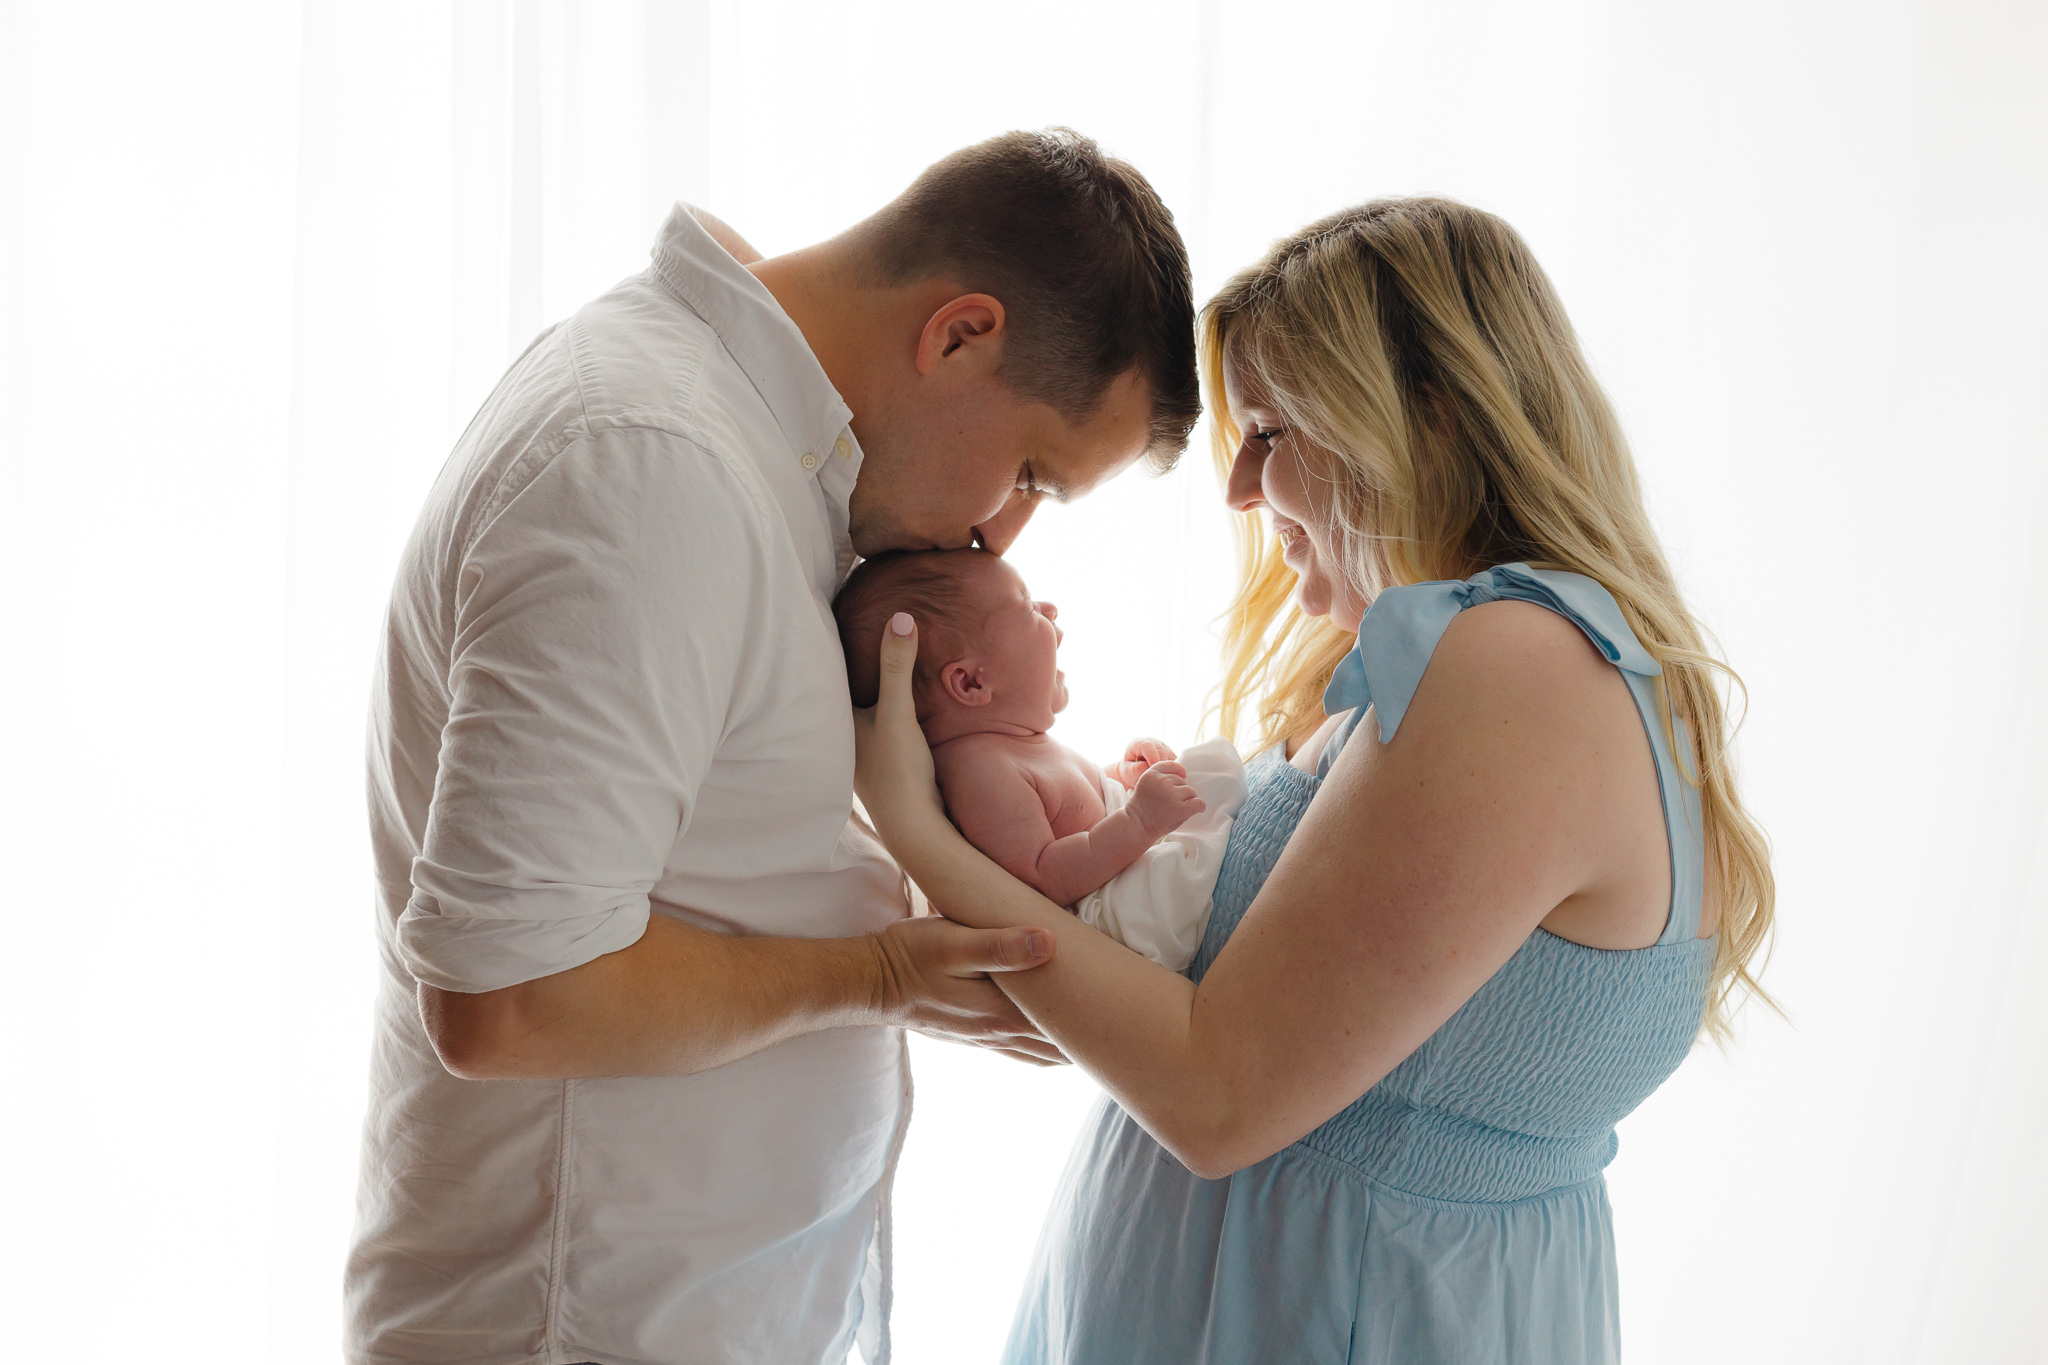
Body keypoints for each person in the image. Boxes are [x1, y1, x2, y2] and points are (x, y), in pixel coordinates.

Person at [852, 197, 1777, 1364]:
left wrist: (911, 828)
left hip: (1340, 1309)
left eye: (1273, 431)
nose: (1239, 488)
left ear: (1424, 419)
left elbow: (1215, 1098)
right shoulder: (1445, 658)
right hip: (1250, 1290)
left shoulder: (1518, 665)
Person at [346, 128, 1199, 1365]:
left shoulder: (751, 461)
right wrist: (881, 976)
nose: (1000, 538)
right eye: (1027, 473)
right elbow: (511, 998)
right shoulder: (648, 468)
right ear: (959, 333)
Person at [832, 547, 1246, 969]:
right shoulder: (982, 772)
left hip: (1119, 856)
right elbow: (1044, 876)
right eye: (1028, 607)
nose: (1050, 609)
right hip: (1116, 904)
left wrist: (1122, 775)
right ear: (971, 682)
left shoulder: (1014, 744)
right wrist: (1139, 819)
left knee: (1205, 771)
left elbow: (1070, 808)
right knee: (1209, 793)